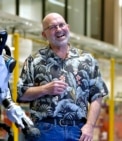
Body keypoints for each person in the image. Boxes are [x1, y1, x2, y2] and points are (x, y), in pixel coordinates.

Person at [17, 12, 108, 141]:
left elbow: (97, 95)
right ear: (44, 34)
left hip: (79, 131)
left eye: (61, 25)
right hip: (45, 130)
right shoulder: (34, 60)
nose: (59, 29)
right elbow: (21, 93)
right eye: (52, 27)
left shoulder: (86, 59)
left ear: (68, 28)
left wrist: (90, 126)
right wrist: (44, 89)